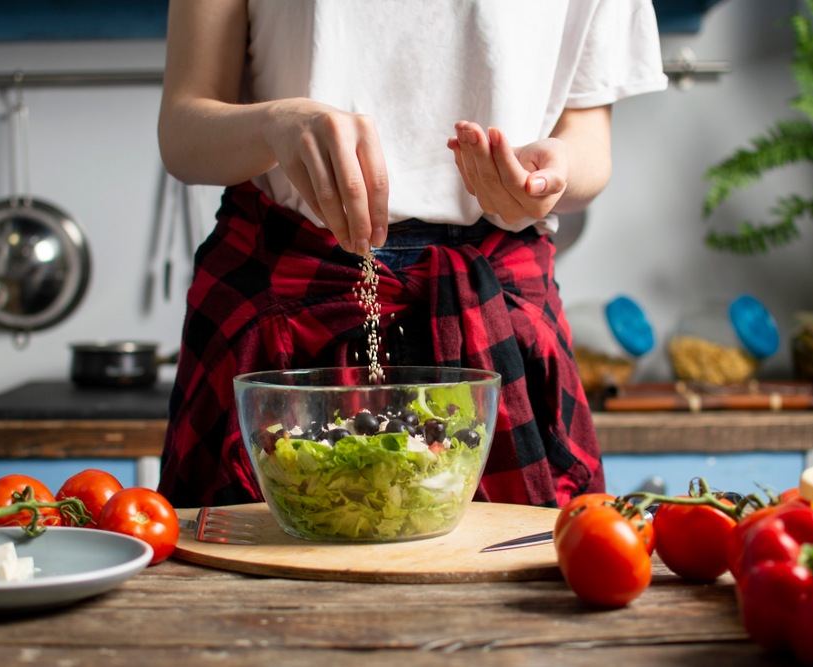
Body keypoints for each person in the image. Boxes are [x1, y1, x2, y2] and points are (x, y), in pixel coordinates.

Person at [156, 0, 668, 508]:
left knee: (525, 579)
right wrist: (277, 123)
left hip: (497, 309)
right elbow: (183, 129)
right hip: (286, 293)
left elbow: (587, 143)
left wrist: (555, 173)